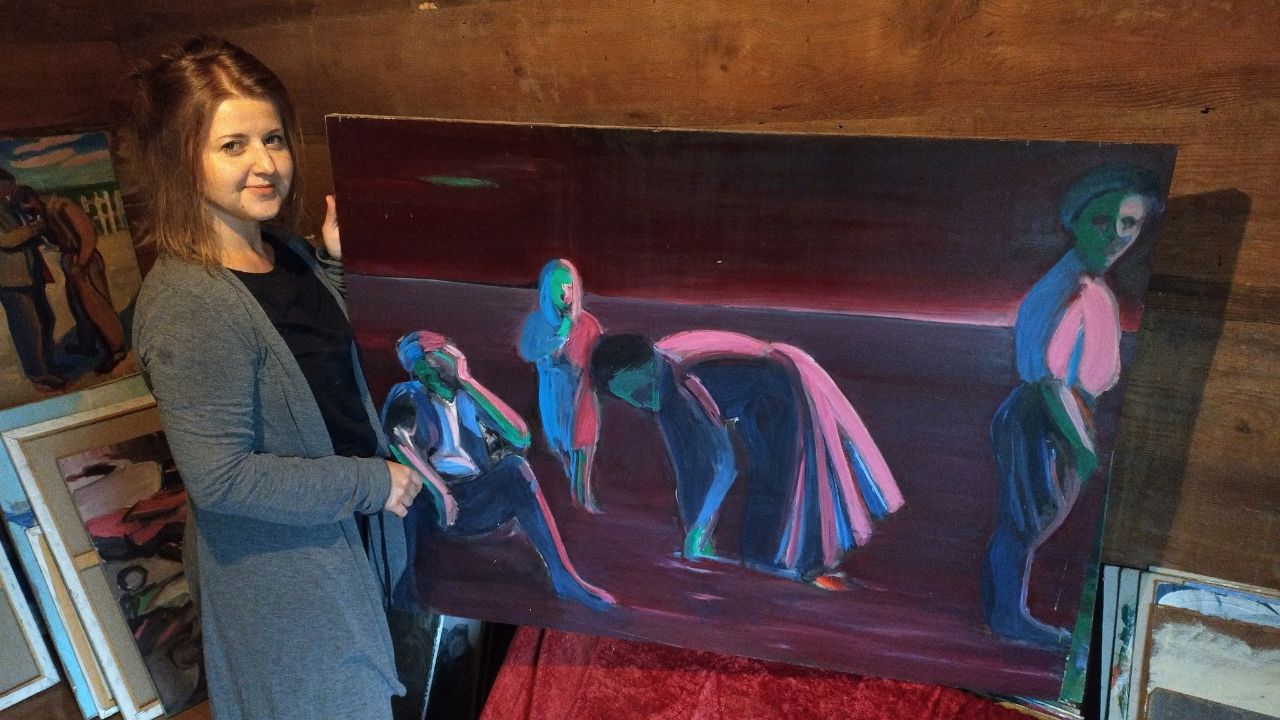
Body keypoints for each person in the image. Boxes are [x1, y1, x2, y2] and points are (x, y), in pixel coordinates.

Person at [128, 36, 420, 719]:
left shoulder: (287, 255)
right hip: (287, 582)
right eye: (233, 146)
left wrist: (335, 266)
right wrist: (371, 483)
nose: (265, 164)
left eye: (274, 139)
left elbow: (324, 372)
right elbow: (222, 478)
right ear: (180, 158)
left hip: (352, 543)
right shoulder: (188, 304)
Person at [980, 164, 1161, 648]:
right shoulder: (1075, 290)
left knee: (1025, 522)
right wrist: (1081, 446)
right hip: (1045, 418)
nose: (1116, 235)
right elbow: (1052, 382)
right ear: (1075, 221)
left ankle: (1002, 612)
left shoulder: (1088, 286)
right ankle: (1008, 617)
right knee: (1027, 523)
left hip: (1050, 414)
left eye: (1129, 223)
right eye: (1102, 222)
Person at [590, 330, 904, 585]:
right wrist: (694, 530)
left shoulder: (679, 385)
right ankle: (784, 567)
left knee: (781, 486)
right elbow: (689, 468)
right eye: (630, 399)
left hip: (783, 391)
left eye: (640, 391)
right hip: (766, 395)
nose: (642, 403)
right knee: (772, 490)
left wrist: (698, 532)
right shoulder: (662, 374)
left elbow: (721, 464)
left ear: (648, 366)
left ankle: (795, 571)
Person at [382, 330, 615, 611]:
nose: (429, 378)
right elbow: (399, 442)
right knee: (406, 491)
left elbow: (520, 436)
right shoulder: (410, 394)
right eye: (420, 372)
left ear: (450, 358)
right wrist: (441, 491)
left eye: (433, 368)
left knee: (516, 468)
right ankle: (403, 593)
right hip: (433, 503)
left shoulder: (467, 395)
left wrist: (467, 380)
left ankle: (564, 577)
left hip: (473, 499)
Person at [10, 186, 129, 373]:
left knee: (97, 305)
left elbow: (88, 235)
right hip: (70, 261)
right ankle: (87, 345)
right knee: (78, 307)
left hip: (84, 261)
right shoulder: (45, 214)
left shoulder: (62, 206)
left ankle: (117, 349)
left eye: (30, 209)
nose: (31, 214)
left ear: (33, 198)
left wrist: (81, 262)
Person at [518, 258, 603, 511]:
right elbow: (528, 352)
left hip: (582, 394)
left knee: (583, 445)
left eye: (570, 287)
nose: (566, 294)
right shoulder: (536, 322)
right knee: (561, 449)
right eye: (560, 287)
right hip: (554, 397)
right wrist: (559, 337)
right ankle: (577, 501)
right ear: (547, 289)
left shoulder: (588, 324)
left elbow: (598, 361)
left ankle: (584, 498)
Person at [0, 168, 63, 391]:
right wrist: (34, 228)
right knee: (28, 329)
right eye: (8, 184)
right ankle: (38, 375)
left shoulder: (8, 207)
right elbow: (6, 240)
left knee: (46, 320)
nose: (11, 189)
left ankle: (48, 366)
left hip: (30, 274)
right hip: (11, 281)